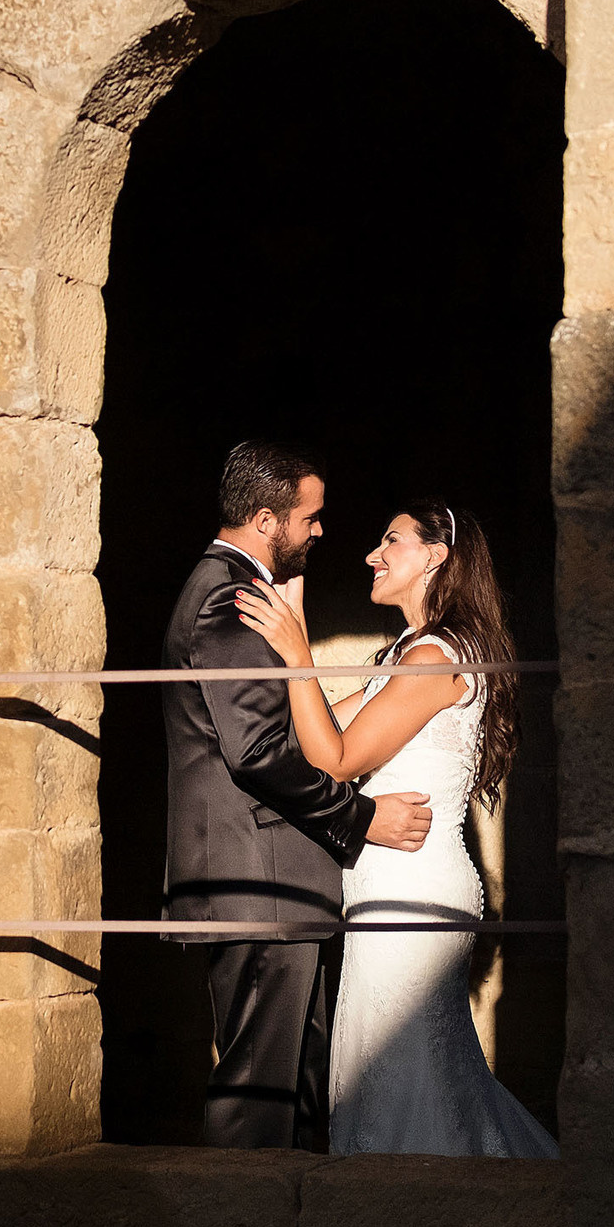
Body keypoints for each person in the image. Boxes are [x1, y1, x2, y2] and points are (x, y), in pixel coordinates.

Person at [235, 501, 559, 1158]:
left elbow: (339, 758)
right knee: (418, 1080)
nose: (371, 554)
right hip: (390, 882)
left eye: (391, 540)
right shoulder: (411, 651)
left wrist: (300, 652)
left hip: (413, 886)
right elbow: (318, 730)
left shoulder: (438, 655)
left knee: (394, 1082)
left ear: (437, 555)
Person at [161, 441, 437, 1150]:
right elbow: (257, 751)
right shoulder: (232, 599)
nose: (320, 531)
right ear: (264, 519)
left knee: (293, 1095)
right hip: (259, 883)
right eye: (308, 518)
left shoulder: (244, 590)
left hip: (277, 885)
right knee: (260, 1096)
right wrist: (364, 817)